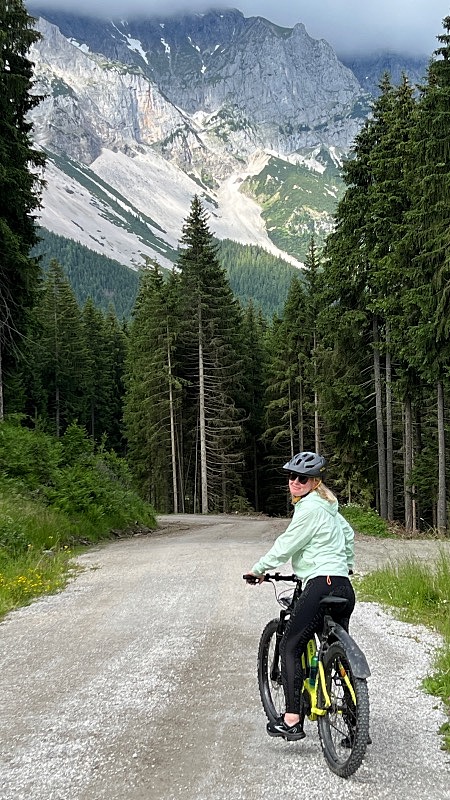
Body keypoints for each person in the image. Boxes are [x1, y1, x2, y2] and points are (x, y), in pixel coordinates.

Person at [245, 451, 355, 742]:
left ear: (315, 482)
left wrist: (259, 569)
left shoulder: (308, 508)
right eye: (291, 476)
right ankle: (356, 725)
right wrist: (349, 565)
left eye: (301, 478)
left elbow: (287, 543)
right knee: (339, 651)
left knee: (291, 645)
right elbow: (349, 536)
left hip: (320, 584)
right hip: (343, 585)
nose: (294, 481)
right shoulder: (331, 509)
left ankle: (292, 719)